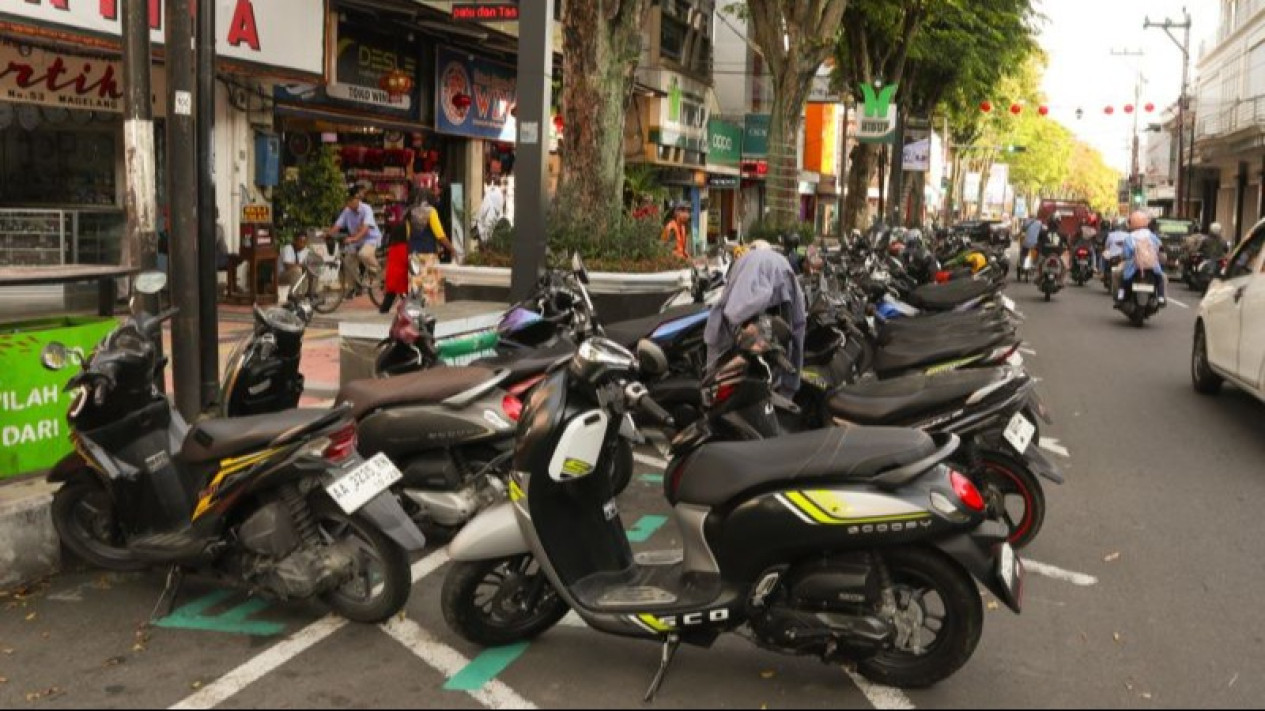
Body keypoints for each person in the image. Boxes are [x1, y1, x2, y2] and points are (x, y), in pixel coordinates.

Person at [704, 247, 806, 396]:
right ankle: (781, 389)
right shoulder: (782, 267)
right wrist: (790, 384)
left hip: (740, 303)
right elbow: (797, 327)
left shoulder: (746, 259)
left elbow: (732, 306)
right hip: (770, 283)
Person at [405, 188, 456, 305]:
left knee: (415, 284)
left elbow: (407, 235)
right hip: (428, 255)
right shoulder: (431, 212)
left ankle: (415, 311)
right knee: (429, 287)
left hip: (413, 254)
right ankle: (428, 313)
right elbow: (440, 235)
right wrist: (452, 249)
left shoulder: (409, 212)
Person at [328, 189, 382, 297]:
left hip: (371, 239)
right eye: (349, 201)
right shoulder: (347, 211)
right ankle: (355, 286)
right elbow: (337, 225)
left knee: (364, 254)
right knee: (348, 262)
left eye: (354, 200)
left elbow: (365, 228)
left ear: (357, 200)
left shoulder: (366, 209)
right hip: (356, 241)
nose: (351, 203)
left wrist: (354, 239)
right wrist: (327, 234)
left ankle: (376, 270)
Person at [1121, 210, 1166, 306]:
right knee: (1160, 278)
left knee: (1124, 279)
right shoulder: (1152, 236)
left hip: (1134, 266)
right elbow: (1160, 248)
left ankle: (1122, 296)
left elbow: (1126, 254)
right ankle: (1161, 297)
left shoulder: (1130, 238)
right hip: (1152, 265)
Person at [378, 206, 411, 314]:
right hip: (401, 277)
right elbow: (407, 262)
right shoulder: (404, 248)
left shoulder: (393, 247)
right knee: (406, 297)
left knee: (390, 297)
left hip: (392, 276)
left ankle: (382, 313)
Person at [279, 232, 311, 302]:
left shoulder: (306, 250)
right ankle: (292, 295)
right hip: (282, 275)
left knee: (310, 271)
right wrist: (302, 266)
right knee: (297, 270)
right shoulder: (288, 248)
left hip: (296, 274)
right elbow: (287, 266)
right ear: (295, 241)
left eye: (305, 242)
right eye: (301, 242)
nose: (303, 244)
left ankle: (305, 294)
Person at [474, 178, 505, 243]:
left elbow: (484, 208)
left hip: (487, 220)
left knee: (486, 237)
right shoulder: (500, 194)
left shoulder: (489, 193)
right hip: (497, 220)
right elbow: (500, 206)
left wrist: (478, 218)